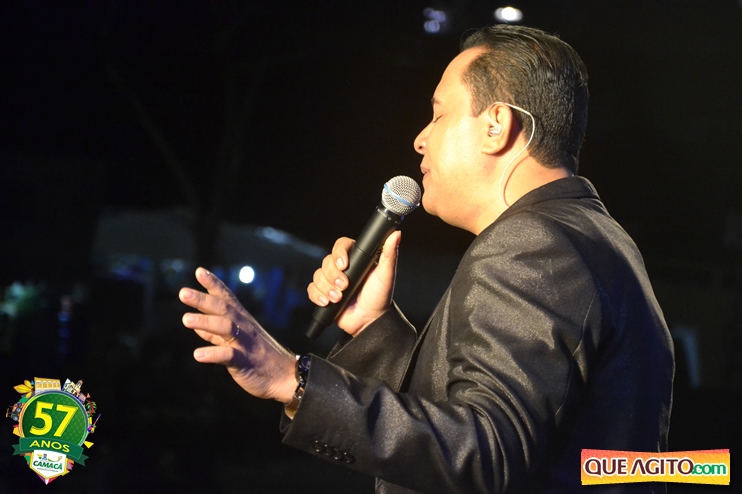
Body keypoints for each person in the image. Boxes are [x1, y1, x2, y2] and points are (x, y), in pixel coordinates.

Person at [179, 24, 674, 493]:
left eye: (438, 115)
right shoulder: (595, 236)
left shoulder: (532, 242)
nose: (420, 138)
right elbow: (486, 430)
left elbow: (486, 451)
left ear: (496, 126)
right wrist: (373, 328)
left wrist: (293, 379)